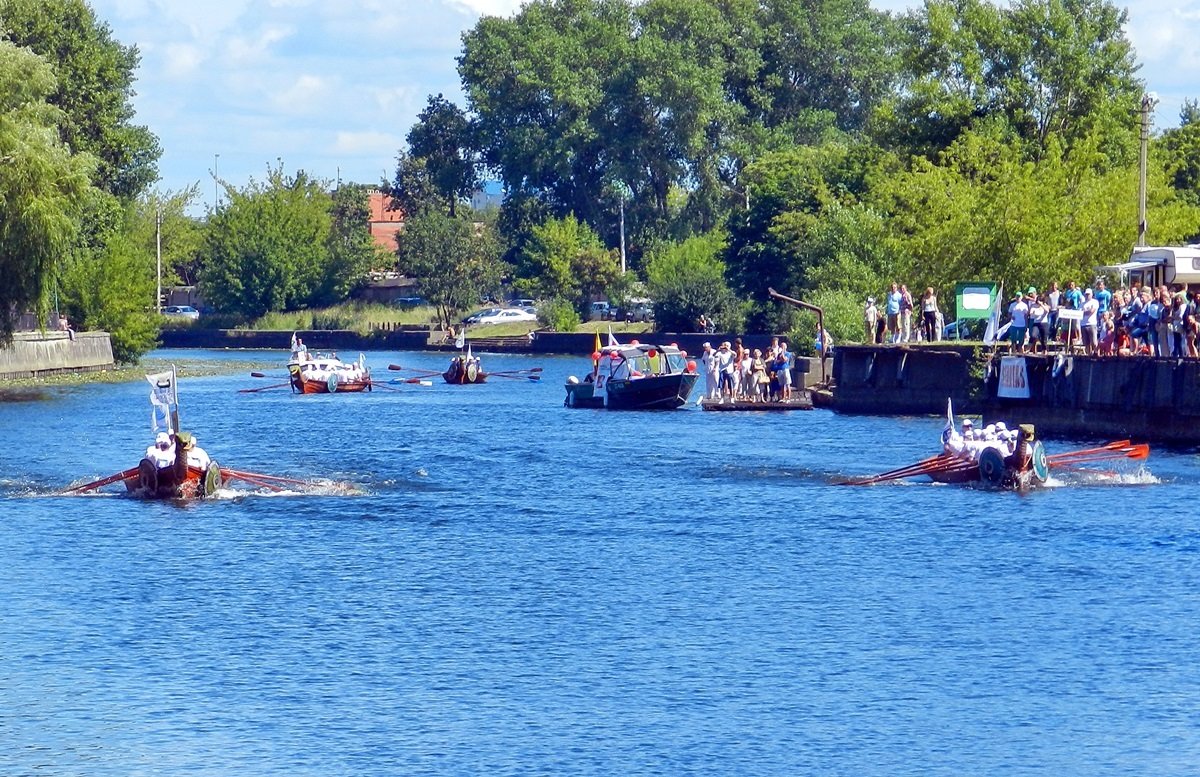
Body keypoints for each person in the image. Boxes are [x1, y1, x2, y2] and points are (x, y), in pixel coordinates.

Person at [1081, 288, 1100, 355]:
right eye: (1086, 294)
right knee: (1086, 343)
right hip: (1083, 324)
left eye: (1088, 294)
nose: (1087, 295)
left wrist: (1084, 312)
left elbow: (1092, 311)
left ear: (1092, 294)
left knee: (1094, 342)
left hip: (1092, 324)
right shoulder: (1082, 303)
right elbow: (1079, 313)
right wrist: (1085, 312)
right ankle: (1089, 355)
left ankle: (1096, 354)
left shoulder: (1095, 302)